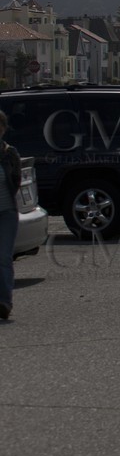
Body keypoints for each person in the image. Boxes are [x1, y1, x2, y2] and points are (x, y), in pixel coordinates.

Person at [0, 109, 19, 322]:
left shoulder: (9, 153)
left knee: (4, 258)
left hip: (7, 212)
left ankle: (4, 302)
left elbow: (16, 181)